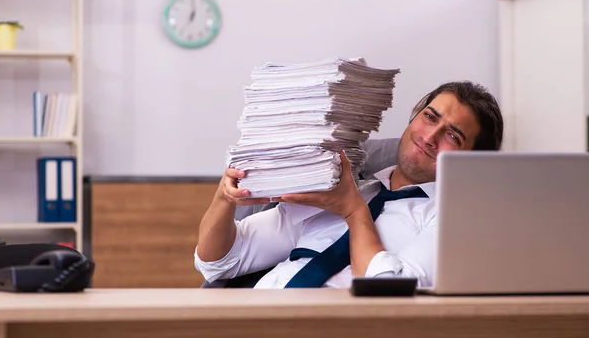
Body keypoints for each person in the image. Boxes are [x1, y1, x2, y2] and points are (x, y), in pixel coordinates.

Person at [194, 81, 504, 288]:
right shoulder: (347, 188)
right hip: (252, 319)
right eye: (429, 117)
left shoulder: (452, 220)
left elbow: (389, 294)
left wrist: (354, 212)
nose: (430, 136)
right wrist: (224, 198)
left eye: (453, 135)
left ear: (472, 161)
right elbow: (218, 261)